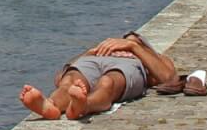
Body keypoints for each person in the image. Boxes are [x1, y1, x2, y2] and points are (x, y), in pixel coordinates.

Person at [19, 32, 197, 121]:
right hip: (95, 60)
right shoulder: (105, 49)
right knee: (69, 81)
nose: (127, 37)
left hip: (127, 66)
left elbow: (168, 78)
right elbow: (59, 77)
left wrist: (133, 47)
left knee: (108, 82)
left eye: (134, 37)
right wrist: (88, 54)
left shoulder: (150, 57)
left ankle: (84, 105)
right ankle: (51, 106)